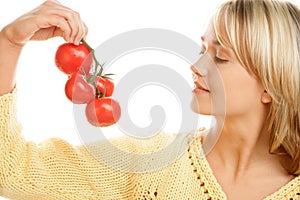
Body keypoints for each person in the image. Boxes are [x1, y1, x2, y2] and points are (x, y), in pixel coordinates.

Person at [0, 0, 299, 199]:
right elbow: (11, 170)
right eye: (201, 49)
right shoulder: (149, 162)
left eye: (220, 57)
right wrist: (9, 43)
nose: (196, 66)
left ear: (271, 85)